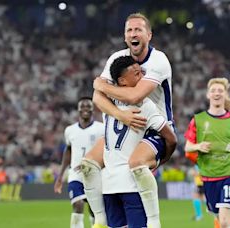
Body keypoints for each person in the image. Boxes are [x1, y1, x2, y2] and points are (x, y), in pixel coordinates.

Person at [80, 13, 174, 228]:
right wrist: (121, 115)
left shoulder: (158, 60)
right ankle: (100, 219)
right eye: (129, 30)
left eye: (138, 30)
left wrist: (102, 86)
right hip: (123, 125)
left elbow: (134, 96)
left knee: (137, 163)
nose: (133, 34)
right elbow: (96, 97)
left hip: (154, 128)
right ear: (124, 36)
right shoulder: (117, 58)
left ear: (149, 35)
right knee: (88, 165)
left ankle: (153, 222)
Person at [101, 56, 177, 227]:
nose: (141, 77)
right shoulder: (144, 104)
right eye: (136, 74)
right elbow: (171, 138)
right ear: (122, 81)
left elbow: (98, 95)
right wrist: (161, 159)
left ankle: (98, 219)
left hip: (108, 186)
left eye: (141, 72)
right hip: (131, 184)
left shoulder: (105, 104)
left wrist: (99, 85)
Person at [184, 77, 230, 228]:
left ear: (225, 95)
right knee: (220, 219)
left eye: (220, 90)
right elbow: (188, 147)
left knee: (226, 220)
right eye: (213, 90)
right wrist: (198, 146)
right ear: (208, 94)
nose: (217, 93)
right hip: (209, 176)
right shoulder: (198, 120)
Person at [54, 97, 104, 228]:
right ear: (78, 110)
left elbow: (105, 151)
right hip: (75, 175)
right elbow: (68, 150)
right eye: (82, 106)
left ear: (93, 109)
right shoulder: (70, 130)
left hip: (95, 174)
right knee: (78, 205)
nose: (85, 109)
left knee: (95, 211)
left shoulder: (101, 129)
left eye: (88, 106)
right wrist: (60, 176)